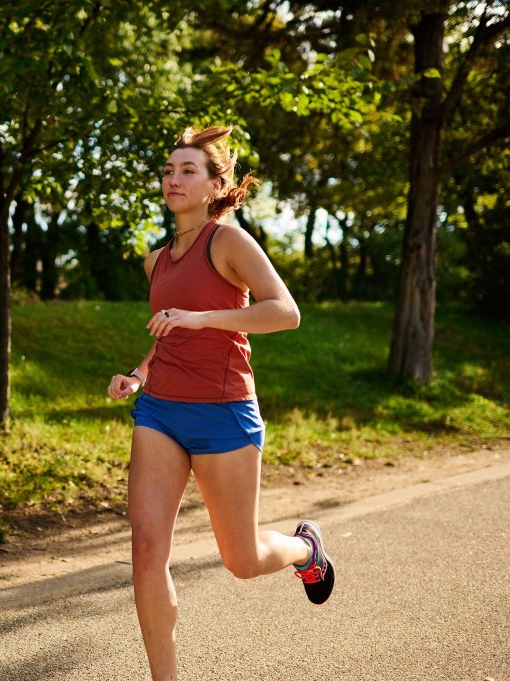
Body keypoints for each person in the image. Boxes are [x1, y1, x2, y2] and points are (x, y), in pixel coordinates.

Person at [106, 125, 335, 680]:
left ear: (215, 186)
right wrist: (138, 374)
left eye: (188, 170)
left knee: (242, 560)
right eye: (168, 170)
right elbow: (167, 335)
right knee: (145, 546)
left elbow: (285, 311)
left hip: (224, 411)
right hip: (160, 411)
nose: (173, 179)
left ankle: (307, 551)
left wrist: (204, 318)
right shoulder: (155, 261)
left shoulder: (228, 241)